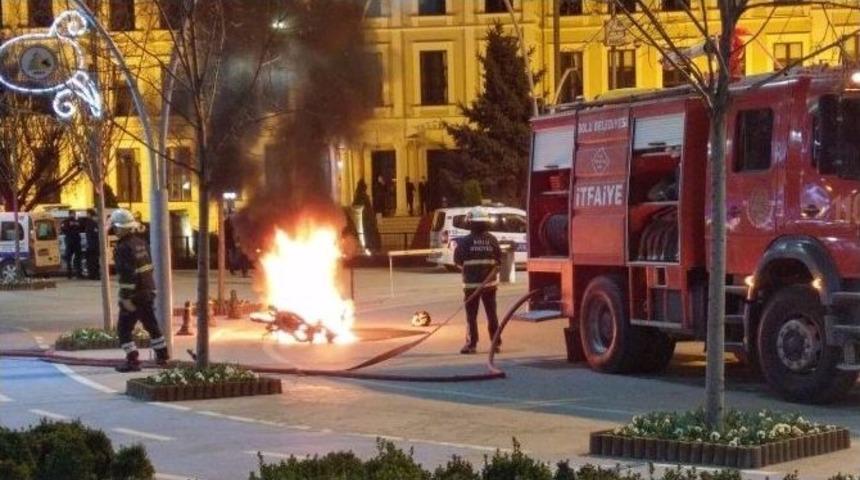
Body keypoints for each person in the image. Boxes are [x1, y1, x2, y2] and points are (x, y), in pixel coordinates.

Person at [110, 209, 169, 372]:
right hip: (147, 291)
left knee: (123, 329)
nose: (114, 230)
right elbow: (148, 268)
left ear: (120, 228)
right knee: (151, 324)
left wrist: (126, 298)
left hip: (134, 295)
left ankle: (132, 360)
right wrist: (151, 289)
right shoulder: (141, 242)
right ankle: (163, 356)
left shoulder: (122, 247)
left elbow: (127, 275)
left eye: (115, 227)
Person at [453, 207, 502, 354]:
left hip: (471, 286)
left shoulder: (465, 242)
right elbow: (499, 260)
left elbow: (457, 261)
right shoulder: (492, 240)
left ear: (470, 223)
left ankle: (472, 344)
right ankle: (496, 343)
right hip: (490, 285)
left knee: (471, 316)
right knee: (491, 313)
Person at [60, 212, 83, 279]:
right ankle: (69, 274)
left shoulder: (77, 221)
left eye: (74, 214)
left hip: (75, 241)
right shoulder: (66, 221)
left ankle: (78, 274)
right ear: (70, 214)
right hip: (70, 241)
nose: (74, 215)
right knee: (69, 259)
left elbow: (81, 227)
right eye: (73, 214)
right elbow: (63, 229)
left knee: (78, 258)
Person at [81, 209, 101, 280]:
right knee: (94, 261)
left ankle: (93, 275)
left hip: (92, 246)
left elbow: (92, 235)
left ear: (89, 214)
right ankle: (95, 275)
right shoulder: (94, 223)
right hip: (94, 245)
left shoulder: (90, 223)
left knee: (92, 261)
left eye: (87, 214)